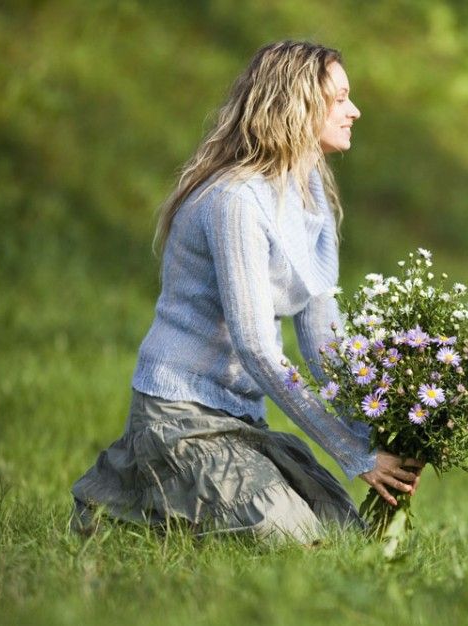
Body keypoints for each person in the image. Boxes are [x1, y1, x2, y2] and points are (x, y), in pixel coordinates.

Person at [71, 40, 420, 544]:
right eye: (340, 99)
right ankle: (128, 496)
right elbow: (256, 346)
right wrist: (352, 454)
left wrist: (381, 431)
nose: (354, 111)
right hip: (181, 417)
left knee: (343, 535)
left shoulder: (311, 199)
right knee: (293, 540)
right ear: (297, 106)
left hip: (243, 420)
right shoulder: (236, 201)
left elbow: (325, 345)